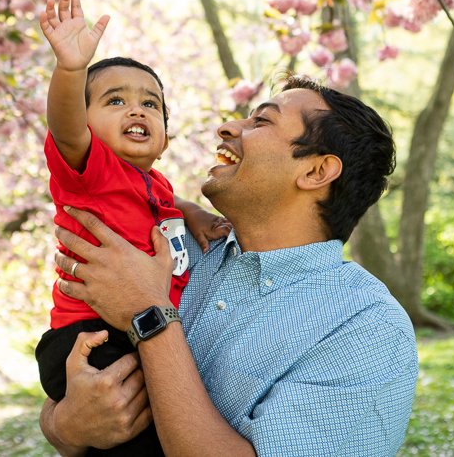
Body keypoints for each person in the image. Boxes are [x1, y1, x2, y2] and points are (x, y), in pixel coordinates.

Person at [39, 75, 418, 457]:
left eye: (262, 121)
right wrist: (66, 425)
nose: (227, 127)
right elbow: (72, 368)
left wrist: (148, 313)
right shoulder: (167, 247)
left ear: (316, 172)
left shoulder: (368, 328)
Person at [35, 0, 230, 456]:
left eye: (151, 104)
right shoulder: (88, 168)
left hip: (134, 327)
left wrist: (196, 212)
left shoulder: (155, 183)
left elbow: (165, 201)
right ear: (85, 123)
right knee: (141, 432)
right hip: (89, 336)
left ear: (164, 136)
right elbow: (63, 125)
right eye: (115, 101)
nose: (137, 109)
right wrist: (70, 69)